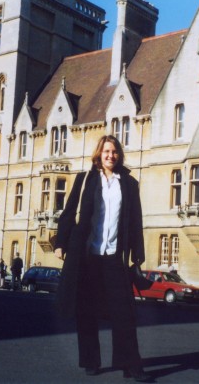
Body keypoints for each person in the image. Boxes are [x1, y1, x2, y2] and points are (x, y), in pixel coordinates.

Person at [54, 135, 150, 382]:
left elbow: (135, 220)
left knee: (124, 313)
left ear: (119, 155)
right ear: (99, 153)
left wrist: (137, 254)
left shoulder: (128, 184)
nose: (111, 155)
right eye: (106, 151)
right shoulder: (84, 179)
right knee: (86, 311)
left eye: (115, 151)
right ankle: (90, 361)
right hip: (87, 256)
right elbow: (68, 212)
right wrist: (61, 243)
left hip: (114, 256)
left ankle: (131, 365)